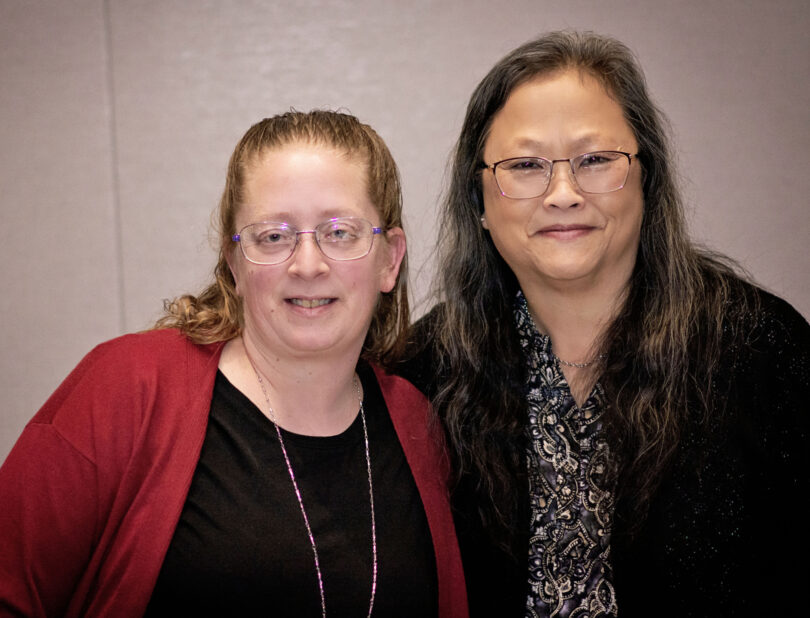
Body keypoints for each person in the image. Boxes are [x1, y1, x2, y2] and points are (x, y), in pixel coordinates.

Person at [399, 31, 809, 617]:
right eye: (525, 165)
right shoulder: (421, 375)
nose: (563, 194)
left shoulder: (763, 351)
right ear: (478, 202)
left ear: (648, 180)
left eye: (595, 160)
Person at [0, 110, 468, 617]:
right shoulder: (127, 388)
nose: (308, 265)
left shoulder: (419, 423)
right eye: (273, 236)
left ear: (390, 259)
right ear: (234, 262)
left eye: (339, 232)